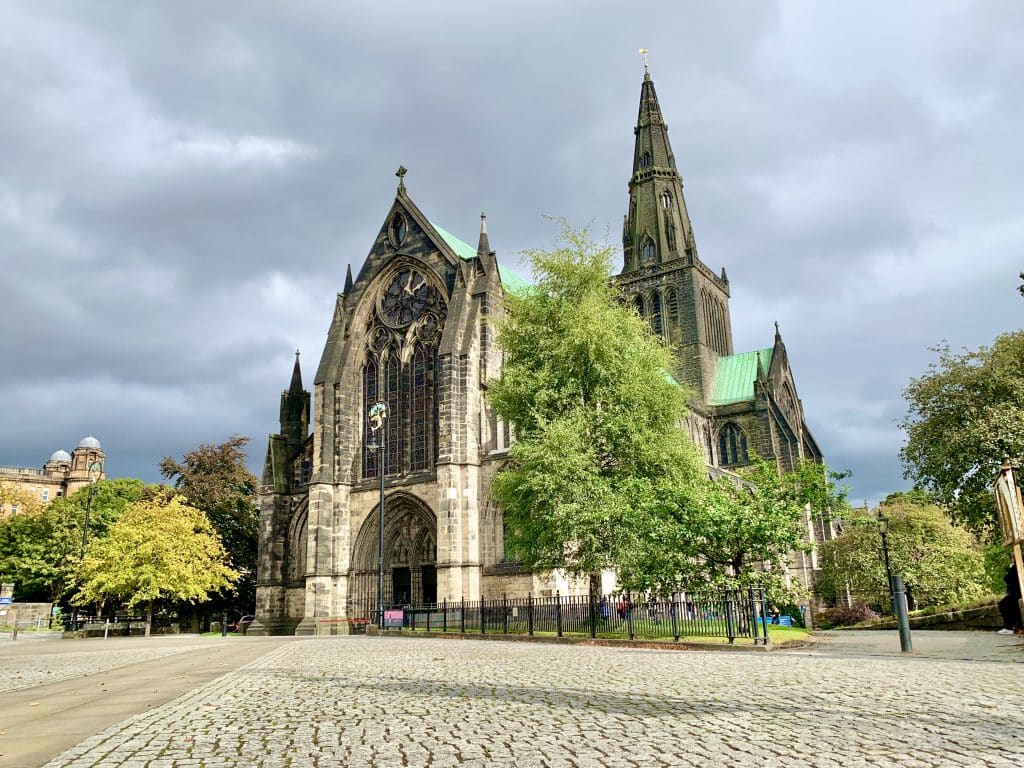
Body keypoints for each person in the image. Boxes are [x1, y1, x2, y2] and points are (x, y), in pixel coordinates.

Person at [997, 561, 1022, 635]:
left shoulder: (1016, 567)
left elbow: (1007, 579)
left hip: (1017, 593)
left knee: (1003, 605)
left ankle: (1009, 628)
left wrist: (1012, 567)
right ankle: (1013, 627)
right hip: (1016, 593)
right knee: (1012, 607)